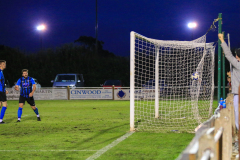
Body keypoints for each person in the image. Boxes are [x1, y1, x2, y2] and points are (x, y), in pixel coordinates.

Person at [218, 33, 240, 130]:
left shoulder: (238, 64)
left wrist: (222, 40)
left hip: (238, 94)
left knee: (237, 114)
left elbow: (228, 54)